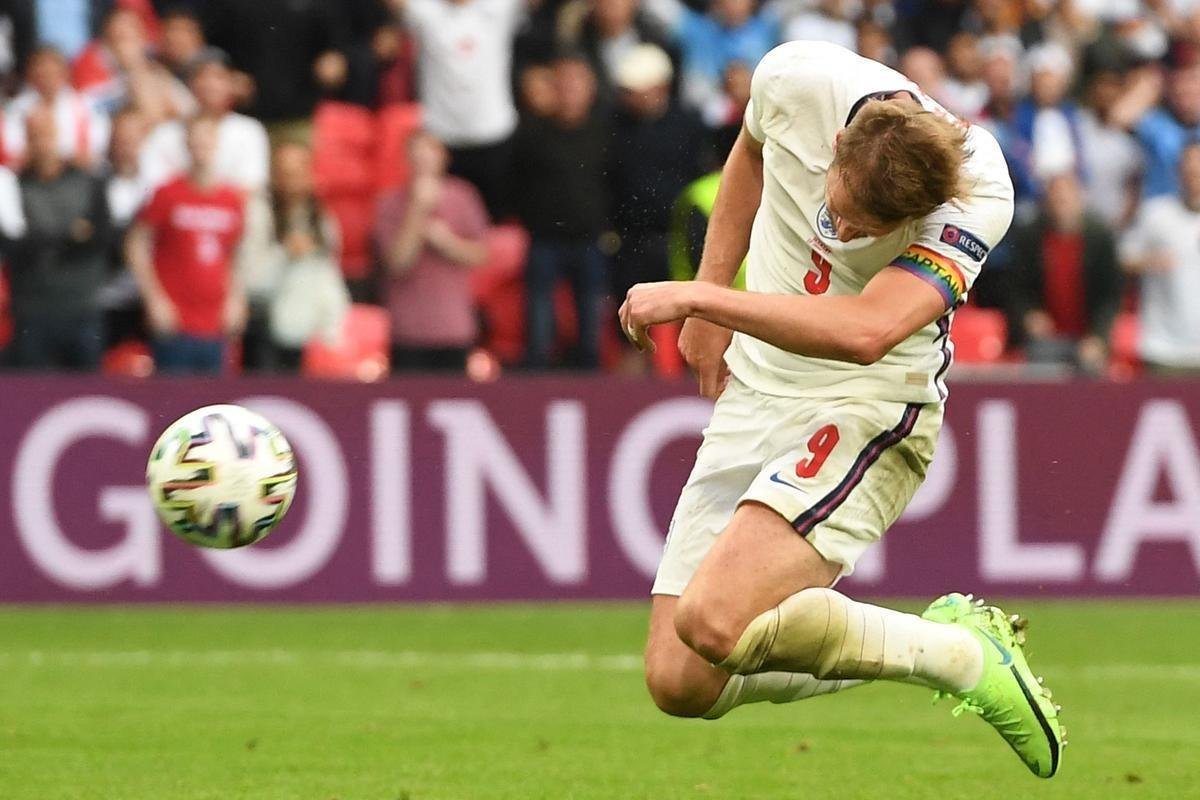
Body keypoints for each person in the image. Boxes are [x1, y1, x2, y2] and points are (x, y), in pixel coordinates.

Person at [618, 41, 1064, 778]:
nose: (845, 233)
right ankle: (950, 645)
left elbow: (866, 334)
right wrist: (713, 287)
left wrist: (700, 298)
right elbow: (750, 155)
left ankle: (958, 660)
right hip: (757, 390)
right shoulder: (795, 78)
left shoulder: (979, 189)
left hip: (868, 405)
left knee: (712, 619)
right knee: (680, 679)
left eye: (867, 232)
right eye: (843, 210)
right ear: (835, 148)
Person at [126, 116, 247, 374]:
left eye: (208, 141)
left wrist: (236, 297)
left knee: (212, 400)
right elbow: (136, 244)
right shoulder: (167, 193)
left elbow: (234, 253)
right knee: (173, 400)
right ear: (187, 144)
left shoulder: (230, 199)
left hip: (215, 320)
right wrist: (154, 297)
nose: (202, 148)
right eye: (196, 141)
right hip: (175, 317)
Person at [514, 53, 609, 369]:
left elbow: (615, 183)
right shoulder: (531, 135)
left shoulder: (604, 134)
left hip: (590, 238)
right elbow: (514, 183)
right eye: (563, 85)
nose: (569, 91)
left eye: (576, 84)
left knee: (591, 312)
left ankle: (590, 374)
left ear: (590, 90)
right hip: (544, 238)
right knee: (539, 314)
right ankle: (537, 373)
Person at [387, 0, 526, 218]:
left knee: (496, 224)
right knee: (446, 219)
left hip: (494, 134)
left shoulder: (498, 6)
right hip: (443, 138)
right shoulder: (424, 10)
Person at [4, 107, 109, 370]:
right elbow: (14, 244)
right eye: (35, 135)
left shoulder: (87, 181)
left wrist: (44, 239)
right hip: (32, 305)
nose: (42, 143)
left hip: (82, 304)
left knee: (88, 393)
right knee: (31, 393)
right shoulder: (13, 184)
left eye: (47, 135)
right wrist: (70, 235)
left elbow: (101, 237)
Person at [375, 130, 489, 372]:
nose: (423, 163)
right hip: (408, 330)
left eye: (429, 155)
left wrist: (446, 241)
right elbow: (397, 263)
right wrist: (417, 211)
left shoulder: (463, 197)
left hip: (454, 328)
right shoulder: (389, 204)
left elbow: (481, 254)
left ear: (443, 158)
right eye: (417, 157)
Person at [238, 142, 349, 371]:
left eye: (298, 173)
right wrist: (284, 254)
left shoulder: (322, 220)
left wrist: (332, 326)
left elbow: (329, 278)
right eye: (285, 173)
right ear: (273, 176)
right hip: (264, 326)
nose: (291, 182)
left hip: (308, 331)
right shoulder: (257, 213)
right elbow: (249, 281)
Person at [1005, 171, 1122, 373]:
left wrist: (1099, 337)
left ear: (1079, 199)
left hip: (1087, 337)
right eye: (1056, 199)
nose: (1061, 206)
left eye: (1066, 199)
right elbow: (1015, 288)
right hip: (1044, 340)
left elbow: (1110, 295)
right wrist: (1029, 315)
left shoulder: (1100, 238)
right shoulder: (1030, 237)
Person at [139, 48, 271, 194]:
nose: (210, 85)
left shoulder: (249, 130)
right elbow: (154, 185)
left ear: (231, 83)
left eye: (218, 77)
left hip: (232, 211)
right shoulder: (165, 133)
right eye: (201, 76)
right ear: (190, 84)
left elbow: (251, 185)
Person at [1120, 142, 1200, 374]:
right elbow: (1123, 257)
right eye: (1189, 169)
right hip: (1163, 347)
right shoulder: (1156, 214)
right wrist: (1147, 261)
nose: (1193, 175)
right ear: (1178, 172)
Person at [3, 45, 110, 168]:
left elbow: (95, 153)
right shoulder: (17, 109)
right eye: (41, 74)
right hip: (29, 177)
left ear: (65, 73)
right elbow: (12, 154)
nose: (47, 79)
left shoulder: (86, 106)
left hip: (78, 175)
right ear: (30, 75)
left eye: (52, 73)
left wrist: (58, 158)